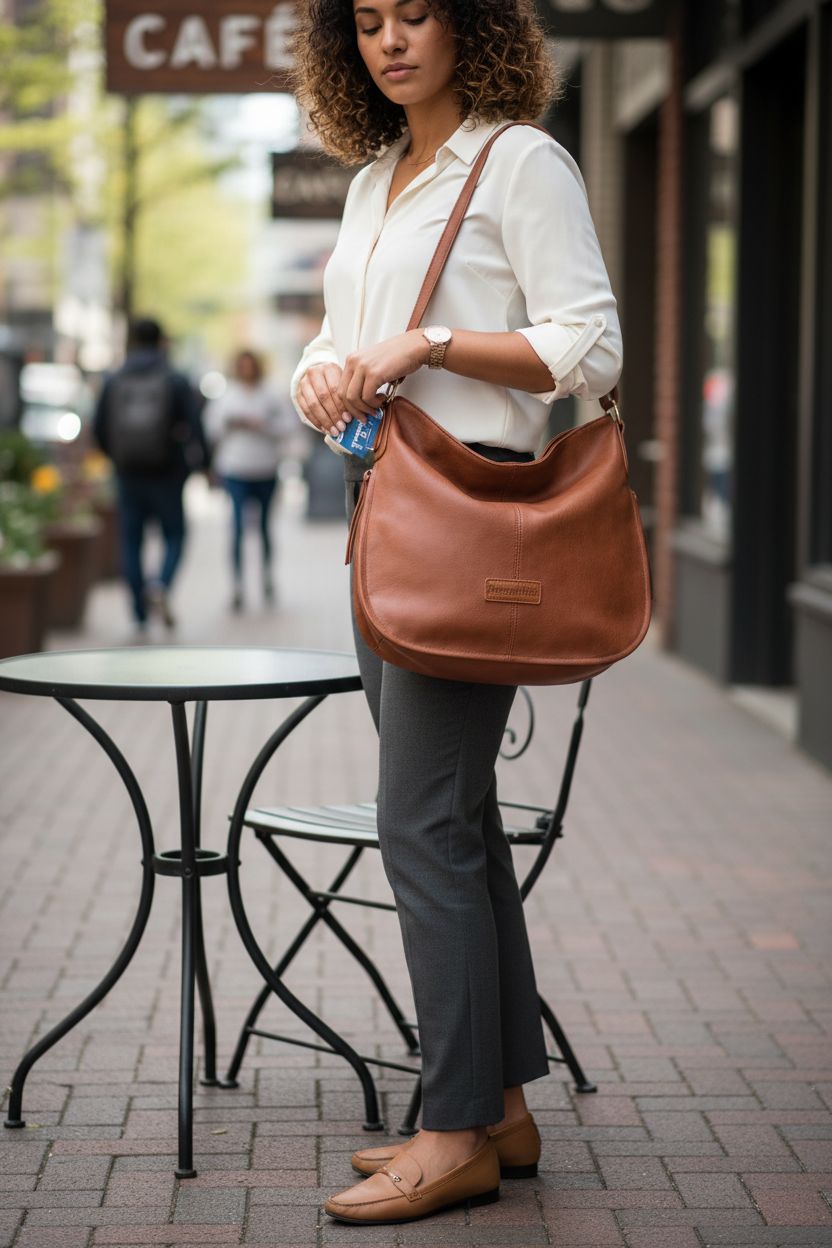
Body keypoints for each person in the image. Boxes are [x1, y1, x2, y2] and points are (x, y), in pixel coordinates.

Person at [290, 0, 622, 1226]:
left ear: (471, 26)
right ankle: (504, 1110)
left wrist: (425, 339)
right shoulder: (378, 178)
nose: (390, 38)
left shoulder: (519, 159)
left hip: (471, 521)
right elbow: (332, 339)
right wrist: (321, 374)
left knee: (420, 824)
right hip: (382, 510)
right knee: (460, 822)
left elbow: (589, 346)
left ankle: (451, 1129)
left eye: (416, 11)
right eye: (367, 19)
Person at [204, 350, 287, 611]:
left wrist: (262, 425)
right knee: (237, 528)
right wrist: (233, 424)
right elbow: (211, 428)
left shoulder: (271, 395)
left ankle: (266, 578)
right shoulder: (227, 397)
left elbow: (289, 426)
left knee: (264, 528)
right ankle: (238, 586)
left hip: (265, 467)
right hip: (235, 468)